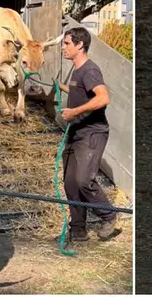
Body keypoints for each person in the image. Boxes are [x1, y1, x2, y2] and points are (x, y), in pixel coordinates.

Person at [56, 27, 117, 245]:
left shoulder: (90, 70)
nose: (63, 48)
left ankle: (108, 215)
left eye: (66, 43)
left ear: (80, 45)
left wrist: (74, 112)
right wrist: (60, 87)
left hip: (92, 132)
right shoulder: (77, 70)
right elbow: (79, 92)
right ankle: (78, 231)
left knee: (83, 180)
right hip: (76, 132)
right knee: (71, 184)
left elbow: (103, 98)